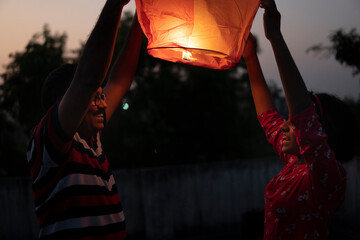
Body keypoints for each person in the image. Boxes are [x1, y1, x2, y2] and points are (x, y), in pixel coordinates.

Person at [26, 0, 143, 239]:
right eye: (94, 98)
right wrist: (116, 4)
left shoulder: (93, 140)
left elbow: (120, 80)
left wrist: (143, 18)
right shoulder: (48, 143)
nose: (103, 103)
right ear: (65, 103)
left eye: (101, 96)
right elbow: (88, 77)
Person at [242, 0, 358, 239]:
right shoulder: (295, 163)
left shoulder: (329, 176)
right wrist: (250, 56)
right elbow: (268, 117)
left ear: (321, 132)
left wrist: (275, 36)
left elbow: (302, 114)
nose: (284, 126)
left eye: (293, 122)